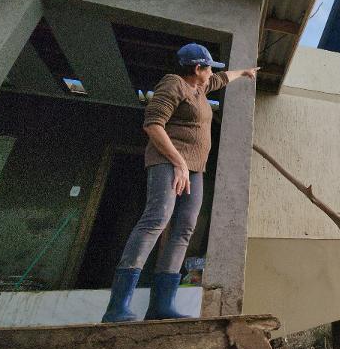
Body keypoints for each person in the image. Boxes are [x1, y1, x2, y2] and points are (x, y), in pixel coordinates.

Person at [102, 43, 259, 322]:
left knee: (185, 226)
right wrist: (178, 161)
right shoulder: (173, 84)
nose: (211, 72)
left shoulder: (199, 88)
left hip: (194, 169)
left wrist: (245, 72)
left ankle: (161, 306)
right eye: (208, 67)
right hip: (168, 161)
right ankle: (117, 307)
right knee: (157, 219)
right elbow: (153, 125)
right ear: (196, 68)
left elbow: (221, 79)